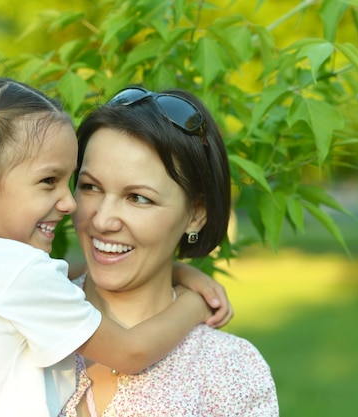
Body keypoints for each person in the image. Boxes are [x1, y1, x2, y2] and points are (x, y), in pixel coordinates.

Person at [0, 76, 232, 417]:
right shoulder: (17, 274)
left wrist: (180, 270)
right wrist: (194, 302)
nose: (68, 204)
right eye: (49, 181)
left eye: (72, 182)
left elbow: (48, 279)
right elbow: (131, 353)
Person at [59, 87, 279, 416]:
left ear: (196, 214)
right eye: (90, 187)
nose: (102, 220)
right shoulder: (24, 314)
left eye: (138, 198)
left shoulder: (229, 371)